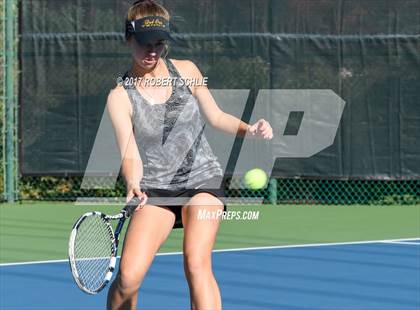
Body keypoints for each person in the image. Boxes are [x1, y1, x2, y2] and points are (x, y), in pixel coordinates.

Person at [106, 1, 273, 309]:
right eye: (145, 44)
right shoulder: (119, 97)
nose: (153, 51)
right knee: (128, 277)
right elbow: (129, 151)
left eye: (159, 43)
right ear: (128, 39)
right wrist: (133, 182)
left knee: (196, 263)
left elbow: (216, 116)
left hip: (201, 179)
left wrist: (249, 128)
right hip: (155, 188)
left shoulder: (187, 71)